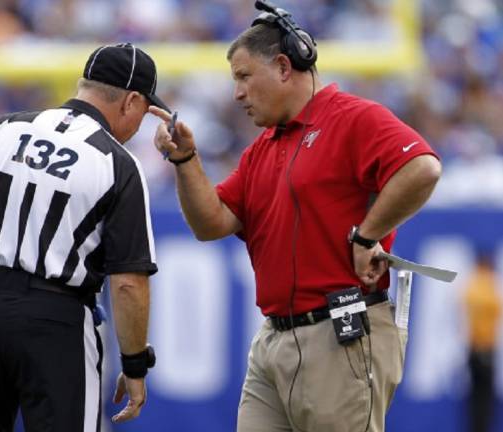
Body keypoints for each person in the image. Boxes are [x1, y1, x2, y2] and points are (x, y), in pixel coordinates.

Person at [149, 6, 442, 432]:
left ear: (284, 67)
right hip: (272, 340)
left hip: (340, 333)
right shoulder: (264, 148)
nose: (237, 93)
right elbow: (210, 223)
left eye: (244, 76)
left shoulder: (352, 116)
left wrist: (367, 236)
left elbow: (422, 168)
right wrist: (185, 159)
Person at [0, 43, 165, 432]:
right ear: (131, 101)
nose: (141, 123)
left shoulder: (5, 128)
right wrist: (135, 363)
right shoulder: (116, 162)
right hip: (55, 320)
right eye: (144, 111)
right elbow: (128, 283)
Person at [463, 251, 501, 432]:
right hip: (486, 347)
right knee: (484, 398)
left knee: (474, 396)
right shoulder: (490, 289)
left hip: (472, 349)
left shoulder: (470, 288)